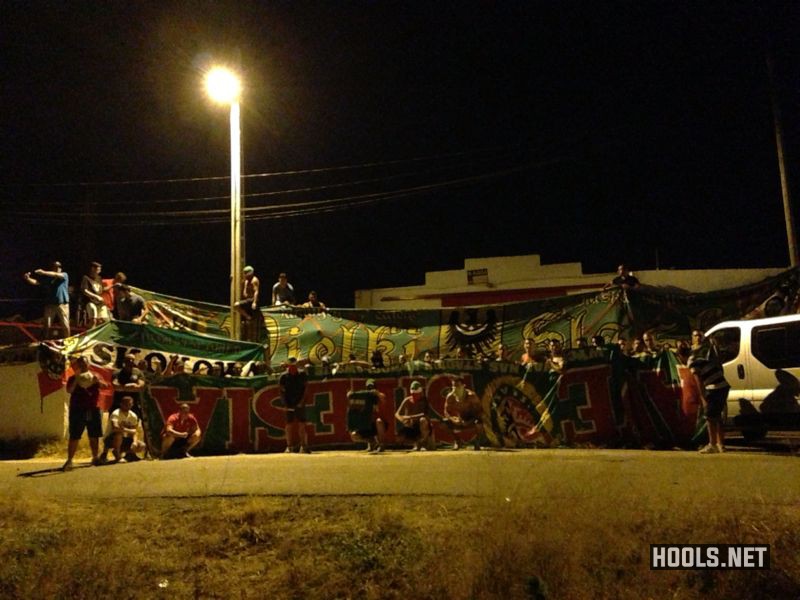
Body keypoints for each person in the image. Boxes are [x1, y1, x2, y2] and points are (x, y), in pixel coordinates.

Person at [688, 330, 730, 454]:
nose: (698, 338)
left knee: (710, 417)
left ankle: (712, 444)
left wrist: (703, 398)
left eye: (700, 335)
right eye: (696, 335)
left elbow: (698, 380)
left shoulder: (693, 359)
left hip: (714, 387)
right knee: (717, 416)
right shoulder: (703, 354)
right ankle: (721, 444)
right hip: (722, 386)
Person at [63, 356, 106, 470]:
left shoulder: (95, 376)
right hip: (78, 409)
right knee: (75, 435)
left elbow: (105, 386)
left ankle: (95, 457)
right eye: (80, 364)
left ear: (88, 365)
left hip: (92, 408)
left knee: (94, 434)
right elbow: (69, 390)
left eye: (84, 364)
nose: (82, 366)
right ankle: (70, 460)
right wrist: (77, 379)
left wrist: (98, 381)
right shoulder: (73, 377)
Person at [23, 261, 70, 339]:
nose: (57, 269)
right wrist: (28, 279)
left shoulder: (64, 275)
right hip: (50, 304)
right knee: (47, 324)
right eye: (55, 267)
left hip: (62, 304)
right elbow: (37, 282)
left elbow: (56, 274)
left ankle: (68, 340)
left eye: (59, 267)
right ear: (52, 268)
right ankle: (44, 341)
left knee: (65, 324)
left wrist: (43, 272)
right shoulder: (48, 279)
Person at [100, 395, 146, 463]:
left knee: (141, 445)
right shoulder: (116, 413)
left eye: (129, 404)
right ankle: (117, 456)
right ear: (121, 404)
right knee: (119, 434)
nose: (128, 406)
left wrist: (135, 442)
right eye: (126, 404)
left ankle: (130, 455)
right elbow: (115, 428)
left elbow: (135, 432)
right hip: (110, 439)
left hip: (124, 439)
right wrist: (129, 430)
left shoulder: (133, 415)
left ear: (132, 404)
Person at [442, 375, 484, 450]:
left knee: (480, 423)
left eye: (457, 386)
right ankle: (457, 441)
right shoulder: (450, 397)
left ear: (463, 386)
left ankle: (477, 442)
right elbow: (446, 411)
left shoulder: (472, 396)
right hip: (459, 419)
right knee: (445, 422)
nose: (455, 389)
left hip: (472, 419)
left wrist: (470, 421)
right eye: (453, 386)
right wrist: (453, 419)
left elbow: (480, 411)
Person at [346, 379, 386, 452]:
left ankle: (381, 445)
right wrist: (351, 394)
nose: (370, 389)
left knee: (378, 421)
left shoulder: (379, 395)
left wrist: (376, 393)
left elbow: (382, 397)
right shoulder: (363, 398)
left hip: (376, 425)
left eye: (372, 387)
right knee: (354, 435)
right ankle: (371, 442)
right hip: (367, 424)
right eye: (368, 387)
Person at [280, 357, 310, 453]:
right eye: (291, 364)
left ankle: (304, 446)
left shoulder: (302, 374)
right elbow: (281, 391)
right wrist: (285, 404)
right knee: (289, 424)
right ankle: (289, 446)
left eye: (294, 364)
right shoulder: (283, 376)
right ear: (288, 365)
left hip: (299, 403)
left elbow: (306, 389)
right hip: (289, 403)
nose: (293, 366)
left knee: (302, 424)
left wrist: (302, 402)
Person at [394, 380, 433, 451]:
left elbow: (425, 414)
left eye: (416, 394)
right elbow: (397, 414)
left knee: (423, 420)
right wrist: (402, 419)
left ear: (420, 393)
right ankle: (416, 443)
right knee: (399, 437)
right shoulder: (407, 400)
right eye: (413, 394)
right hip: (412, 425)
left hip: (423, 426)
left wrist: (410, 417)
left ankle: (424, 443)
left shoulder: (424, 400)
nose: (414, 396)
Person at [79, 261, 110, 328]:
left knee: (103, 321)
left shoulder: (99, 278)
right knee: (93, 320)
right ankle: (89, 334)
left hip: (100, 303)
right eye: (98, 269)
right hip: (91, 302)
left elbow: (101, 289)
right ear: (93, 269)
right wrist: (95, 296)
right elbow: (85, 290)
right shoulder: (86, 278)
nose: (99, 271)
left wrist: (112, 286)